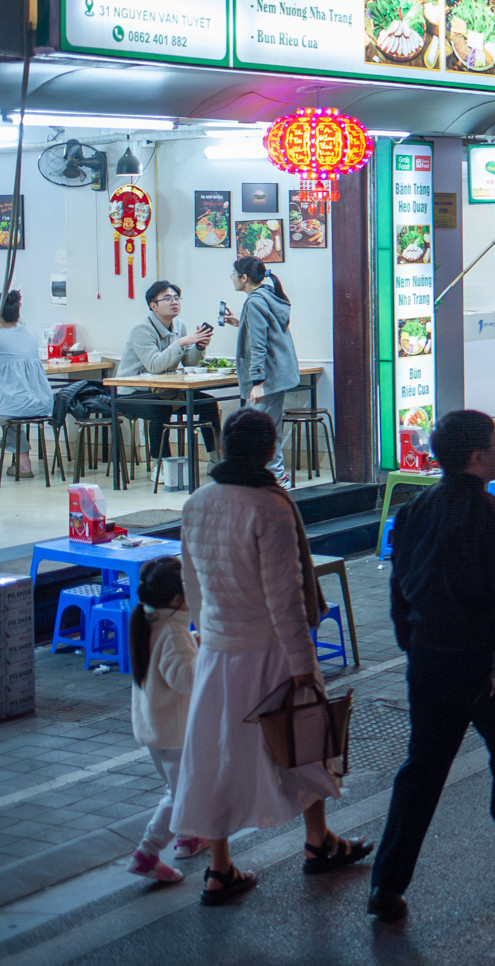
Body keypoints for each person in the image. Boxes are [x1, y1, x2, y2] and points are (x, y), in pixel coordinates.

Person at [368, 410, 495, 923]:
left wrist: (412, 645)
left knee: (421, 772)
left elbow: (398, 592)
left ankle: (386, 886)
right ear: (478, 455)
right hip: (487, 666)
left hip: (430, 662)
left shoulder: (413, 512)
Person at [172, 409, 371, 906]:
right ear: (269, 450)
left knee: (216, 758)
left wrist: (203, 632)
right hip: (270, 652)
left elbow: (192, 582)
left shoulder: (196, 503)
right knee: (304, 743)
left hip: (219, 652)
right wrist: (304, 663)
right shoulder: (271, 507)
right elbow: (286, 596)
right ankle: (317, 841)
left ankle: (220, 867)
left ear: (222, 447)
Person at [127, 556, 204, 883]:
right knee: (180, 794)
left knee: (178, 788)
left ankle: (187, 840)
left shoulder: (149, 620)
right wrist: (208, 652)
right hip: (174, 733)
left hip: (156, 728)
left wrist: (194, 646)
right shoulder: (173, 632)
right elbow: (185, 678)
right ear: (176, 599)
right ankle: (146, 853)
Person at [117, 280, 219, 464]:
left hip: (165, 392)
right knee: (159, 409)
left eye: (176, 298)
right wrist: (180, 343)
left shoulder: (179, 325)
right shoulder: (142, 329)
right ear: (153, 306)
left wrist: (198, 346)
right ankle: (161, 466)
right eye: (167, 298)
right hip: (134, 393)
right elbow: (154, 366)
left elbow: (189, 362)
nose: (174, 302)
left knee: (208, 403)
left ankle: (216, 460)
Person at [226, 257, 299, 489]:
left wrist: (257, 382)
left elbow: (259, 345)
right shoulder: (268, 296)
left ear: (244, 278)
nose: (232, 278)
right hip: (279, 374)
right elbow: (269, 330)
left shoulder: (254, 302)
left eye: (234, 273)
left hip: (266, 378)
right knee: (268, 427)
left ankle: (274, 478)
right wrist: (241, 323)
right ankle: (274, 476)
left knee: (255, 429)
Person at [0, 290, 53, 477]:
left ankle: (22, 463)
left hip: (13, 406)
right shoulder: (30, 336)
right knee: (11, 417)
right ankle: (23, 464)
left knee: (8, 413)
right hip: (40, 403)